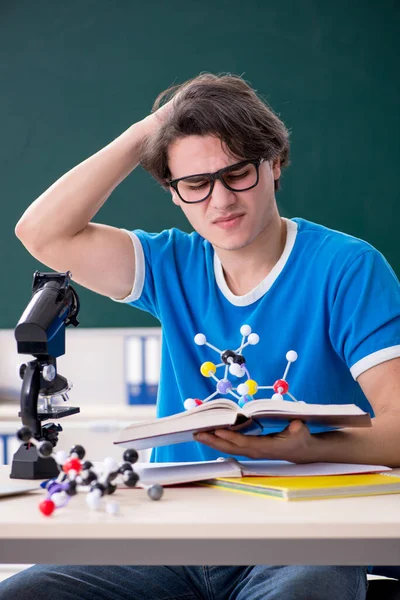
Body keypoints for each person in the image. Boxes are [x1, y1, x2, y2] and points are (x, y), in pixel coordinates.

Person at [2, 72, 400, 599]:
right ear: (173, 192)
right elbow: (41, 232)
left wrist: (308, 448)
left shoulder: (346, 268)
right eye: (195, 183)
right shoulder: (173, 263)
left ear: (274, 164)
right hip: (174, 533)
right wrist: (152, 129)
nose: (220, 201)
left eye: (238, 174)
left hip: (299, 538)